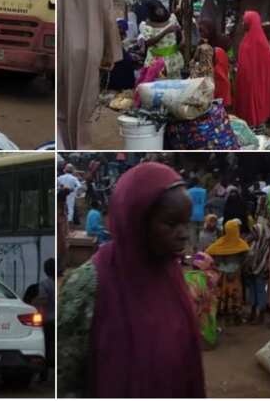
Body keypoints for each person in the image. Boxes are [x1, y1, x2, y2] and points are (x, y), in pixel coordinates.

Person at [56, 162, 205, 398]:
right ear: (137, 221)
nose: (184, 234)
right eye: (171, 223)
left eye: (185, 222)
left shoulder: (172, 276)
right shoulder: (88, 285)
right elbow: (65, 380)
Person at [56, 0, 121, 149]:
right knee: (83, 107)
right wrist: (110, 54)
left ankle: (61, 145)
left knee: (59, 105)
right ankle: (79, 146)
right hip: (90, 50)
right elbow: (108, 18)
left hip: (59, 48)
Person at [234, 10, 270, 132]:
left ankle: (254, 129)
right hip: (250, 81)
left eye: (245, 21)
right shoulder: (260, 40)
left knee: (251, 109)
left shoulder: (253, 41)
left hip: (250, 82)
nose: (243, 24)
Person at [206, 218, 249, 326]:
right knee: (235, 295)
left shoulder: (220, 243)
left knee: (221, 294)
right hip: (235, 274)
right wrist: (239, 266)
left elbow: (209, 252)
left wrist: (219, 264)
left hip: (222, 274)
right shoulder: (241, 244)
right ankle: (235, 315)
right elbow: (246, 256)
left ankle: (221, 313)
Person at [138, 0, 184, 79]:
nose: (160, 12)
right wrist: (165, 31)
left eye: (160, 8)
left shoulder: (172, 18)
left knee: (174, 85)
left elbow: (179, 31)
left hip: (172, 59)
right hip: (156, 61)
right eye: (157, 10)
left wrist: (181, 41)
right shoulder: (146, 25)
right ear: (151, 11)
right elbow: (148, 43)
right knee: (159, 85)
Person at [183, 252, 221, 349]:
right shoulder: (211, 276)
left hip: (193, 308)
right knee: (207, 321)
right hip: (206, 308)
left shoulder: (187, 276)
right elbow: (213, 292)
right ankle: (208, 342)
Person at [40, 258, 57, 369]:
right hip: (57, 319)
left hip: (47, 320)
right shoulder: (62, 281)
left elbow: (43, 302)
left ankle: (44, 375)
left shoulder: (44, 284)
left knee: (46, 347)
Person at [188, 179, 207, 246]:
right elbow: (205, 203)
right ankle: (200, 245)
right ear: (199, 183)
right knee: (201, 230)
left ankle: (194, 245)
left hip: (191, 213)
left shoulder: (189, 191)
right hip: (201, 212)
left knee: (192, 230)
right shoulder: (204, 191)